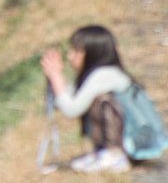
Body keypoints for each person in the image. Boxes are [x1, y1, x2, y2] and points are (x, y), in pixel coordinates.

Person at [40, 24, 132, 173]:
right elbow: (65, 100)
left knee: (103, 101)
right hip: (128, 141)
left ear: (92, 53)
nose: (70, 56)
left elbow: (71, 109)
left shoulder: (103, 76)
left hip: (134, 142)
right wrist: (53, 79)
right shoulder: (95, 75)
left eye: (76, 51)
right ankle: (104, 152)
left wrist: (56, 75)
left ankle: (114, 155)